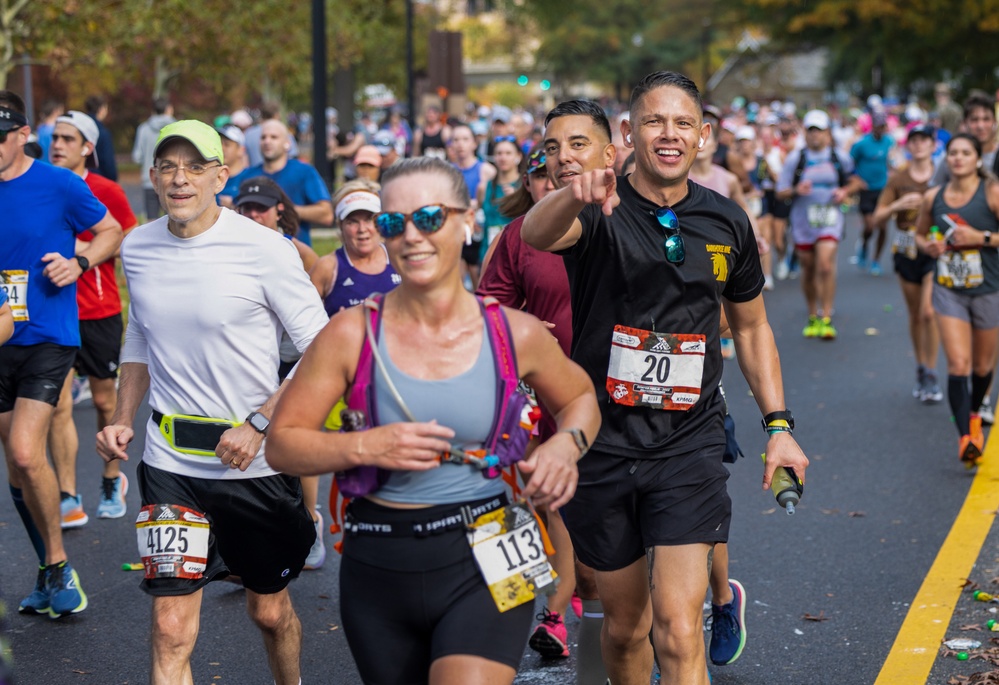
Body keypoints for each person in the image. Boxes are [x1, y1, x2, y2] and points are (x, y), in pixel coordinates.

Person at [266, 156, 601, 685]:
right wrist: (366, 447)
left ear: (466, 220)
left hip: (495, 542)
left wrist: (564, 447)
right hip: (377, 557)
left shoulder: (514, 333)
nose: (412, 236)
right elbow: (282, 444)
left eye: (430, 218)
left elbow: (581, 397)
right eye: (394, 223)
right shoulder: (350, 334)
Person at [522, 71, 809, 685]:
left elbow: (753, 329)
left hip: (689, 440)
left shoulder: (728, 222)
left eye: (683, 123)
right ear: (629, 132)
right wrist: (575, 193)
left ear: (703, 135)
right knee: (625, 629)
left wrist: (779, 426)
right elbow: (535, 233)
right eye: (654, 121)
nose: (669, 134)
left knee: (678, 629)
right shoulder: (598, 208)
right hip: (604, 441)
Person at [95, 120, 328, 684]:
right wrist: (123, 417)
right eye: (168, 167)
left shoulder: (266, 249)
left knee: (269, 612)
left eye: (195, 167)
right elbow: (139, 334)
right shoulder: (140, 246)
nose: (180, 180)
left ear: (220, 176)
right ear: (151, 176)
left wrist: (258, 423)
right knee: (171, 625)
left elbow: (323, 348)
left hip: (254, 462)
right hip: (171, 462)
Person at [0, 90, 122, 618]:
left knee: (28, 451)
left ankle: (57, 563)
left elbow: (112, 230)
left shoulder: (59, 184)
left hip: (50, 333)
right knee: (15, 464)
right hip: (1, 333)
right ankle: (47, 571)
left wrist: (81, 261)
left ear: (25, 134)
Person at [47, 110, 137, 524]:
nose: (58, 144)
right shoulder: (41, 186)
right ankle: (67, 495)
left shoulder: (106, 190)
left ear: (87, 147)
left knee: (105, 401)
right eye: (55, 137)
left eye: (68, 138)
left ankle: (110, 477)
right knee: (57, 404)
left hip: (98, 310)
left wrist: (85, 248)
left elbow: (128, 238)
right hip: (52, 311)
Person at [915, 133, 999, 467]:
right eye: (953, 153)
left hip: (988, 289)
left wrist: (983, 237)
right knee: (959, 364)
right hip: (948, 288)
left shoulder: (991, 193)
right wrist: (928, 246)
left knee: (982, 367)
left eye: (965, 153)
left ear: (978, 159)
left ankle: (975, 414)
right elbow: (920, 235)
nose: (958, 158)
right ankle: (966, 437)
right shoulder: (934, 196)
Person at [776, 109, 865, 340]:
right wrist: (796, 190)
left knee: (825, 265)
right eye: (811, 131)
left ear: (827, 133)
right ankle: (812, 313)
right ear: (805, 133)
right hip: (802, 220)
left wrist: (844, 190)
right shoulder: (796, 158)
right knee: (808, 266)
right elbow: (780, 191)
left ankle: (826, 316)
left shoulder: (838, 157)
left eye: (819, 131)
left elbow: (857, 181)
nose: (815, 135)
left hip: (830, 219)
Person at [873, 124, 942, 403]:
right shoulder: (898, 180)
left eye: (924, 140)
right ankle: (922, 368)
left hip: (934, 251)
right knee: (915, 314)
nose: (919, 145)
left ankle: (933, 372)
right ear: (907, 146)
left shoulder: (941, 176)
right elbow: (877, 217)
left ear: (933, 145)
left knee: (928, 312)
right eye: (913, 140)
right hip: (905, 251)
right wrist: (897, 207)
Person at [222, 119, 333, 246]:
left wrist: (282, 210)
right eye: (263, 137)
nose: (267, 141)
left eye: (274, 137)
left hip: (295, 250)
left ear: (287, 143)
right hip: (255, 249)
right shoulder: (248, 175)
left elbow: (326, 214)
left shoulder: (304, 172)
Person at [851, 111, 895, 275]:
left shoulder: (889, 142)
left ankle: (876, 260)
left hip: (883, 190)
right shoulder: (861, 144)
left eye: (883, 125)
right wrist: (856, 179)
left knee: (883, 227)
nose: (880, 129)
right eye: (878, 125)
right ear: (873, 126)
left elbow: (892, 161)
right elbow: (849, 164)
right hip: (867, 190)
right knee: (870, 225)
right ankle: (864, 245)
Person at [479, 136, 523, 258]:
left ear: (518, 157)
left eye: (508, 153)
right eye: (499, 153)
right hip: (489, 252)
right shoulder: (485, 187)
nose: (503, 158)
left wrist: (518, 201)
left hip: (515, 254)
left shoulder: (526, 186)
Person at [132, 97, 175, 220]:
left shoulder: (144, 128)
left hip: (149, 179)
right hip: (172, 179)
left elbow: (137, 157)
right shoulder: (176, 127)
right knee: (173, 220)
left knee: (151, 221)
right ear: (168, 109)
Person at [84, 94, 119, 181]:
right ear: (101, 109)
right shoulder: (102, 132)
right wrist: (113, 178)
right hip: (99, 178)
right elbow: (108, 162)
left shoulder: (80, 129)